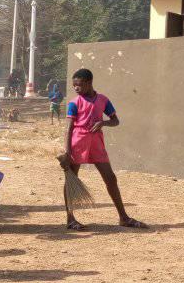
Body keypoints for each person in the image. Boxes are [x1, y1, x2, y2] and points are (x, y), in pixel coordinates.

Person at [60, 69, 147, 230]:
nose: (76, 88)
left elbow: (115, 121)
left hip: (97, 144)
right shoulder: (74, 103)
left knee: (110, 178)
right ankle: (70, 219)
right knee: (71, 179)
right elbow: (68, 128)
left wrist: (103, 123)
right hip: (78, 143)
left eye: (79, 85)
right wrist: (67, 152)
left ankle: (123, 218)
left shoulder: (103, 100)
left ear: (89, 83)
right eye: (74, 85)